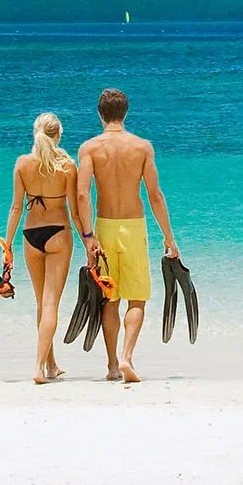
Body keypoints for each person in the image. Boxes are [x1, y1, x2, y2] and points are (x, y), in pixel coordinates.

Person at [75, 87, 180, 386]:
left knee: (110, 297)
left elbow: (83, 193)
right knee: (137, 298)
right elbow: (155, 195)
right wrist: (169, 237)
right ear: (125, 112)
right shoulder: (142, 147)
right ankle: (127, 358)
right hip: (134, 226)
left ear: (100, 114)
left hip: (105, 227)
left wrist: (87, 236)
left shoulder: (90, 148)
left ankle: (111, 366)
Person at [0, 112, 86, 385]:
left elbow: (15, 207)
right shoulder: (67, 166)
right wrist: (89, 242)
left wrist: (8, 244)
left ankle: (51, 364)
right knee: (50, 303)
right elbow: (74, 211)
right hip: (58, 234)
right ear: (58, 134)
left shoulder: (23, 163)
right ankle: (38, 367)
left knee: (41, 302)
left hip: (30, 235)